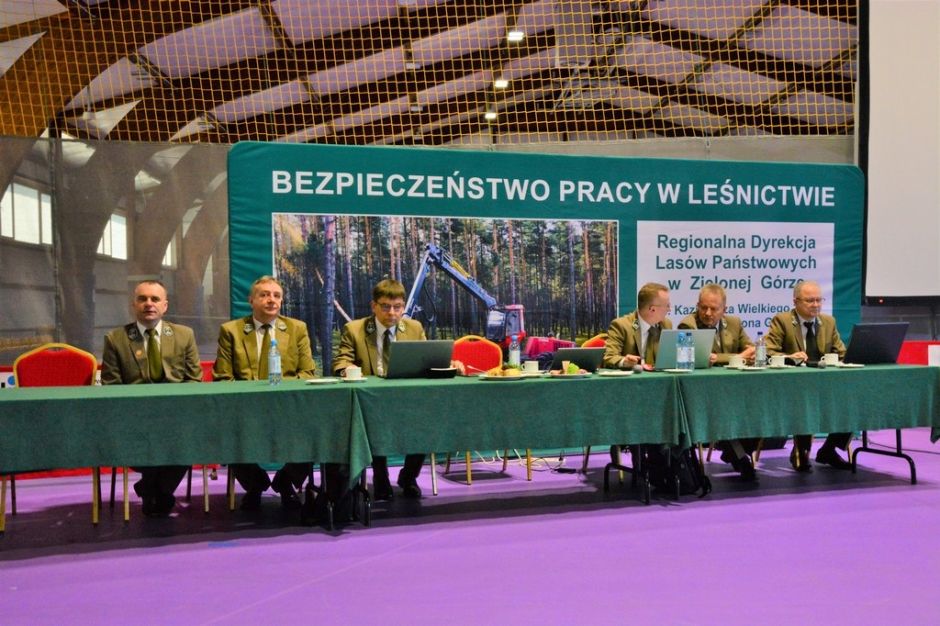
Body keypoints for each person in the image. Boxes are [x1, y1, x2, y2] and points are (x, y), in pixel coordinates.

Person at [101, 279, 204, 517]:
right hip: (135, 418)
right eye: (142, 299)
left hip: (177, 416)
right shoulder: (115, 339)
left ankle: (151, 489)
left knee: (192, 437)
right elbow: (111, 385)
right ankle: (160, 492)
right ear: (133, 305)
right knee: (150, 437)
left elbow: (194, 379)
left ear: (165, 306)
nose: (149, 304)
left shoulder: (184, 335)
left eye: (155, 299)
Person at [213, 275, 316, 510]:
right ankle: (255, 484)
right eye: (265, 295)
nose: (271, 300)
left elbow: (307, 373)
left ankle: (286, 481)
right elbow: (223, 377)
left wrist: (280, 392)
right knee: (226, 431)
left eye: (277, 295)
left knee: (316, 431)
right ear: (251, 300)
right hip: (244, 409)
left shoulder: (297, 329)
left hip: (288, 406)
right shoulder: (231, 331)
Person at [332, 278, 427, 500]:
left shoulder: (414, 328)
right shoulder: (355, 330)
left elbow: (426, 360)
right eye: (385, 306)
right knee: (373, 419)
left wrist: (448, 364)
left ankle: (408, 477)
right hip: (371, 402)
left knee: (425, 422)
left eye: (397, 307)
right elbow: (340, 361)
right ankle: (380, 477)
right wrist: (348, 369)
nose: (392, 313)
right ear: (373, 306)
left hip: (407, 401)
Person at [765, 280, 850, 472]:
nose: (816, 305)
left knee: (852, 401)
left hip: (825, 383)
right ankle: (801, 451)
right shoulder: (782, 320)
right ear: (795, 302)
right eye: (810, 300)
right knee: (805, 401)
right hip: (793, 386)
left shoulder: (828, 322)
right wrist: (790, 357)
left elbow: (842, 353)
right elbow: (768, 352)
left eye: (819, 300)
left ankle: (828, 449)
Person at [678, 283, 757, 480]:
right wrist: (737, 357)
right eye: (703, 307)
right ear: (697, 305)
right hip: (703, 392)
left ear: (724, 309)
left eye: (714, 309)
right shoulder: (688, 325)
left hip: (736, 387)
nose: (707, 313)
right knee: (724, 409)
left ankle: (733, 451)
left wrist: (722, 358)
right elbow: (697, 358)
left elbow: (751, 351)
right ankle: (739, 456)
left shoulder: (734, 323)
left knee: (757, 406)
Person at [602, 282, 673, 464]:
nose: (669, 309)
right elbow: (608, 357)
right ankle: (640, 457)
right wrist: (624, 361)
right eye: (666, 306)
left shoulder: (665, 325)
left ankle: (664, 460)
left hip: (657, 392)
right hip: (629, 393)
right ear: (652, 309)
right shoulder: (621, 325)